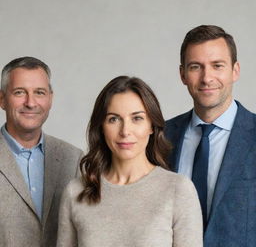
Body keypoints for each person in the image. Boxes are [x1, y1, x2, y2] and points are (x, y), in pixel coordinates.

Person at [57, 76, 202, 247]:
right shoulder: (75, 192)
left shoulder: (178, 190)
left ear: (151, 126)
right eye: (114, 119)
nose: (125, 131)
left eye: (137, 118)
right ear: (102, 127)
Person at [165, 25, 256, 246]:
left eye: (217, 66)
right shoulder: (159, 137)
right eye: (196, 67)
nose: (207, 78)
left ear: (235, 70)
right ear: (182, 74)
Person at [0, 56, 84, 247]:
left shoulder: (73, 159)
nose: (31, 103)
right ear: (2, 99)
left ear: (50, 99)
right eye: (20, 92)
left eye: (39, 92)